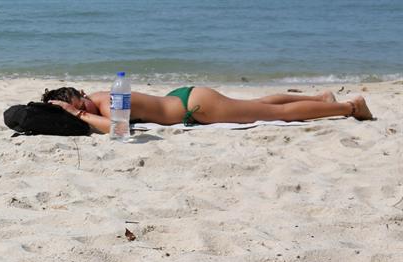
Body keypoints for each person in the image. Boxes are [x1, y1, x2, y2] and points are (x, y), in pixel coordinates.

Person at [42, 85, 373, 133]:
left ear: (80, 97)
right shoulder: (102, 96)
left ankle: (348, 106)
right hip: (187, 98)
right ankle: (321, 99)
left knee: (276, 115)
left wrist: (77, 114)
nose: (83, 109)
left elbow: (119, 128)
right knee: (258, 105)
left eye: (79, 104)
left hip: (196, 106)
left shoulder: (108, 100)